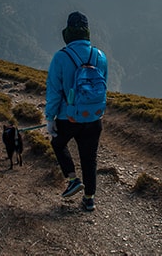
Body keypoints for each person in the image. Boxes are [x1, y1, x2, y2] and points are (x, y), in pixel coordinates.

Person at [45, 11, 108, 211]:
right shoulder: (100, 56)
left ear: (68, 32)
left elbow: (54, 91)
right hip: (94, 117)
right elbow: (103, 84)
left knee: (58, 143)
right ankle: (89, 200)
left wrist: (50, 117)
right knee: (89, 158)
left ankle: (72, 179)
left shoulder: (61, 57)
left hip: (68, 117)